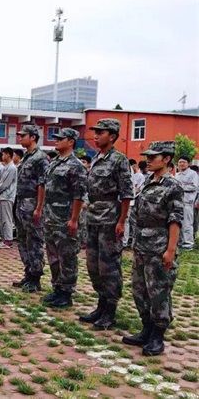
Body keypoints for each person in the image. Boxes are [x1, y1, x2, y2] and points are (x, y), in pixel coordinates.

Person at [122, 141, 184, 356]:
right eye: (147, 156)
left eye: (153, 157)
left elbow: (175, 220)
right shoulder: (149, 181)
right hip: (142, 246)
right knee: (139, 290)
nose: (148, 160)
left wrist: (170, 250)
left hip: (159, 247)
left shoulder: (173, 186)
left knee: (158, 292)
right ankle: (146, 328)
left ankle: (158, 335)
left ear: (166, 159)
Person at [80, 118, 133, 330]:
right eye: (95, 132)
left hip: (110, 218)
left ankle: (110, 310)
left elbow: (126, 194)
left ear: (112, 136)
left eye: (100, 132)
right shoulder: (96, 158)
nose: (96, 135)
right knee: (93, 265)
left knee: (108, 266)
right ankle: (101, 305)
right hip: (93, 216)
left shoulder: (119, 160)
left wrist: (121, 221)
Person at [37, 128, 87, 308]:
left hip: (65, 218)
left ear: (71, 141)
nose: (56, 140)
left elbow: (79, 195)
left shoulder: (76, 166)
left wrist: (74, 219)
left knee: (67, 256)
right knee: (53, 256)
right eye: (56, 138)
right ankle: (57, 288)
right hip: (51, 217)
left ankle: (66, 292)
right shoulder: (54, 163)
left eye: (60, 138)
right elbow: (45, 187)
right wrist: (41, 209)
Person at [13, 125, 49, 293]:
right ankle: (28, 273)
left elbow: (42, 184)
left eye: (23, 135)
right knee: (23, 240)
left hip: (32, 203)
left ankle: (35, 278)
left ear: (33, 137)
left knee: (34, 241)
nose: (20, 138)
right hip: (21, 202)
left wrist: (39, 207)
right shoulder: (26, 157)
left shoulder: (40, 158)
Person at [0, 147, 17, 249]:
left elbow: (5, 184)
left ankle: (8, 240)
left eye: (3, 154)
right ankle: (5, 239)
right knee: (3, 219)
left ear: (8, 155)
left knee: (7, 219)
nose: (2, 156)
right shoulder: (6, 167)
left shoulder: (12, 168)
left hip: (7, 196)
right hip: (3, 196)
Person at [175, 156, 198, 250]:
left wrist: (181, 187)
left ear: (188, 164)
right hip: (178, 202)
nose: (181, 164)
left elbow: (194, 186)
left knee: (187, 224)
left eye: (183, 162)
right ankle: (180, 243)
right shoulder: (177, 174)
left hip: (187, 202)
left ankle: (188, 244)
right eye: (180, 162)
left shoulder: (193, 174)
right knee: (178, 223)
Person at [124, 159, 146, 247]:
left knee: (129, 221)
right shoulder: (127, 173)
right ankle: (127, 240)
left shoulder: (138, 175)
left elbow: (138, 188)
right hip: (126, 200)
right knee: (126, 221)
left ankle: (127, 241)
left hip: (133, 200)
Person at [191, 165, 199, 237]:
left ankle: (194, 233)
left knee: (194, 217)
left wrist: (197, 201)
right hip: (191, 200)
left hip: (195, 200)